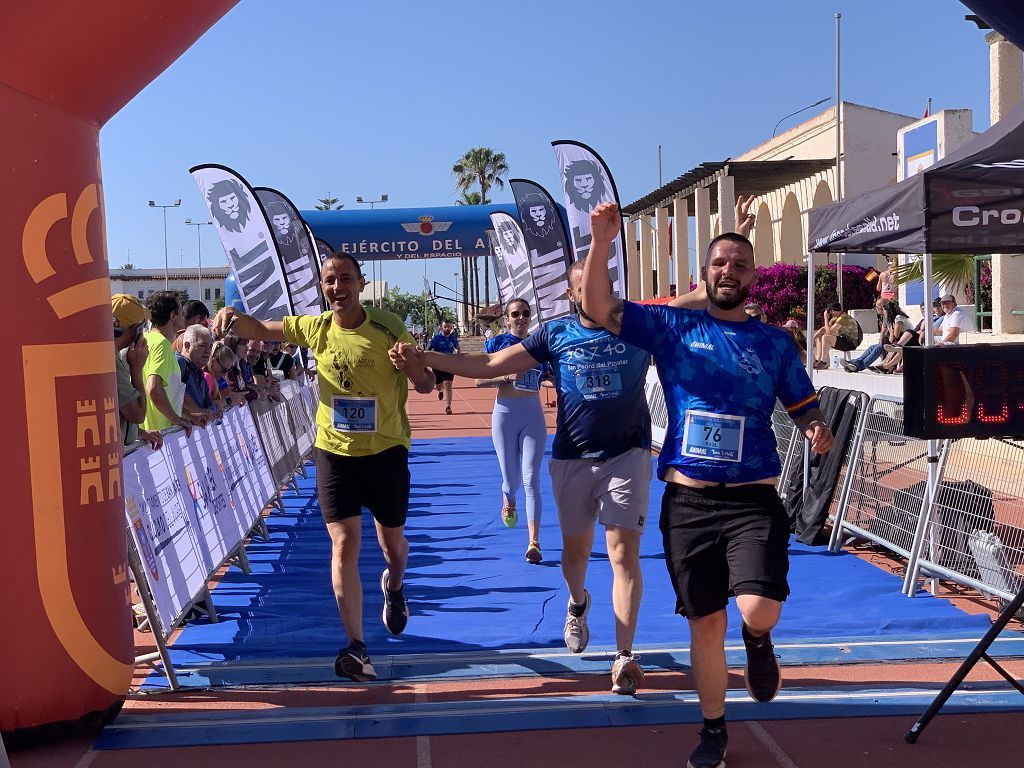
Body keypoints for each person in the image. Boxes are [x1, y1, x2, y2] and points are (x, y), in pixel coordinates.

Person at [580, 202, 834, 768]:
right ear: (706, 273)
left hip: (752, 500)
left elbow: (805, 406)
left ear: (753, 276)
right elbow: (597, 306)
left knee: (758, 609)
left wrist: (816, 428)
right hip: (688, 501)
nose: (729, 271)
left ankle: (761, 641)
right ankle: (713, 728)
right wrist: (601, 241)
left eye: (740, 264)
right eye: (720, 262)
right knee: (706, 624)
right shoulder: (674, 327)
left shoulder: (773, 344)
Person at [394, 259, 652, 694]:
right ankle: (577, 602)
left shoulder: (640, 324)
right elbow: (492, 363)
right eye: (586, 287)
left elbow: (696, 301)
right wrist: (426, 356)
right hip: (573, 457)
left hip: (626, 454)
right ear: (572, 295)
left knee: (622, 553)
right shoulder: (555, 333)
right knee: (575, 556)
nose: (599, 291)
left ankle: (624, 656)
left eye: (605, 284)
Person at [211, 252, 435, 683]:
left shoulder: (388, 326)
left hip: (386, 452)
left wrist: (410, 366)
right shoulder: (315, 328)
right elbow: (261, 328)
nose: (338, 288)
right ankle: (356, 646)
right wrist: (232, 316)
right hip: (335, 453)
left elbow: (425, 384)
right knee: (343, 545)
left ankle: (395, 585)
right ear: (323, 286)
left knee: (392, 548)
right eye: (330, 281)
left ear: (361, 284)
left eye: (346, 279)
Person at [476, 299, 548, 563]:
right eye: (515, 314)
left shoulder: (540, 345)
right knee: (512, 481)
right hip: (505, 416)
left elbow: (549, 374)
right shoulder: (497, 344)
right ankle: (508, 498)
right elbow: (479, 379)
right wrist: (506, 377)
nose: (521, 318)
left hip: (533, 416)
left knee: (531, 479)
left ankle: (534, 542)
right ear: (506, 319)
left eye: (525, 314)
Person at [112, 294, 162, 450]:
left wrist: (138, 432)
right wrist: (136, 369)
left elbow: (120, 411)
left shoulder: (110, 355)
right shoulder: (110, 361)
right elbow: (137, 415)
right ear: (135, 330)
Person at [141, 291, 194, 435]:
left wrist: (190, 417)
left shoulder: (146, 339)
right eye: (181, 311)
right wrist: (177, 419)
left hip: (154, 435)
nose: (183, 315)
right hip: (159, 438)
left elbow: (167, 395)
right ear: (172, 315)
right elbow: (153, 388)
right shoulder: (161, 344)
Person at [177, 324, 218, 424]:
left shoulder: (199, 371)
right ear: (187, 346)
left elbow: (209, 403)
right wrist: (197, 412)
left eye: (210, 346)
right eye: (202, 345)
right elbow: (171, 396)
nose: (208, 351)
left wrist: (211, 411)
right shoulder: (178, 363)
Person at [812, 301, 860, 369]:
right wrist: (812, 339)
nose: (830, 313)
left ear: (833, 311)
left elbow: (829, 332)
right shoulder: (837, 317)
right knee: (820, 337)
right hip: (845, 340)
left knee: (826, 337)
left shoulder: (843, 318)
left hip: (851, 343)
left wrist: (826, 318)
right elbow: (823, 329)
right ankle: (818, 361)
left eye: (830, 311)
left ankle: (824, 362)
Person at [426, 320, 460, 415]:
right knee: (439, 385)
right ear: (441, 327)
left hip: (449, 364)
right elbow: (427, 350)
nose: (447, 328)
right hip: (437, 365)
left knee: (448, 384)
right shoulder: (436, 339)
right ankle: (440, 391)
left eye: (449, 327)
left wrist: (458, 353)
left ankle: (448, 406)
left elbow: (458, 348)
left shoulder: (453, 339)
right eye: (445, 327)